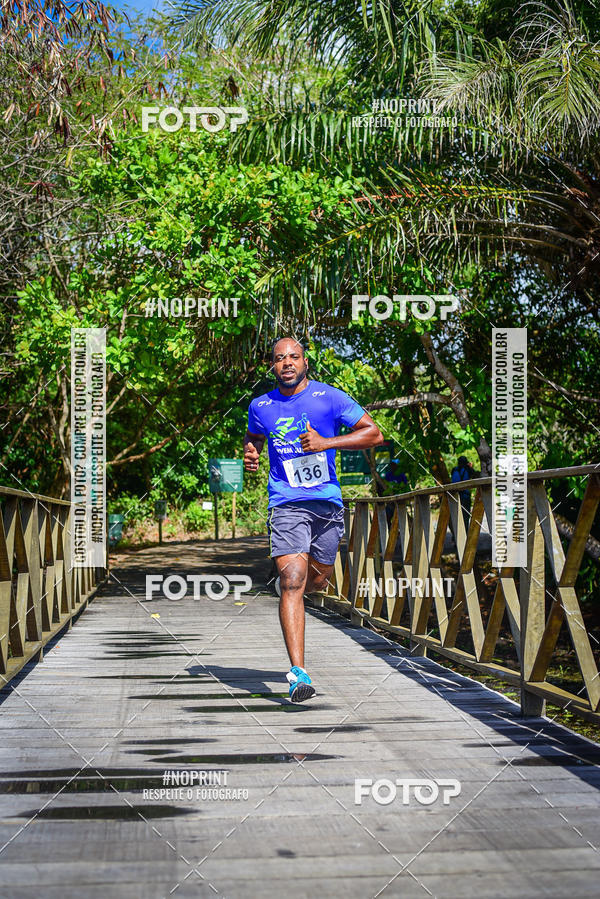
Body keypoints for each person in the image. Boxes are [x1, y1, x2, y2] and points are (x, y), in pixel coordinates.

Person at [243, 338, 383, 702]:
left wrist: (327, 443)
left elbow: (374, 433)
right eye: (279, 358)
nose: (286, 362)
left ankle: (296, 588)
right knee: (293, 581)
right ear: (271, 366)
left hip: (327, 505)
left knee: (316, 582)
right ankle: (298, 674)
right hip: (286, 504)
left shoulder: (330, 397)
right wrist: (251, 452)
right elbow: (254, 436)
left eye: (293, 356)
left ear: (305, 362)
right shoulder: (261, 405)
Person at [451, 455, 477, 525]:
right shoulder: (468, 469)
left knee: (457, 515)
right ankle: (465, 533)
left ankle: (456, 534)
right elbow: (475, 476)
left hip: (454, 495)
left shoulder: (454, 470)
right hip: (465, 496)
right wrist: (470, 467)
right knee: (465, 516)